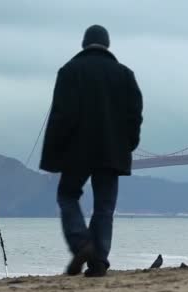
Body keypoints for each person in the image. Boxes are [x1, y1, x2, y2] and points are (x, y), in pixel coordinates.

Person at [40, 25, 143, 277]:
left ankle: (81, 242)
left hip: (76, 151)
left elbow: (60, 116)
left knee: (67, 196)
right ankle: (98, 261)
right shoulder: (125, 75)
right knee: (104, 207)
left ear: (84, 44)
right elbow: (135, 116)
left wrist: (54, 153)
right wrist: (128, 144)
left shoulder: (69, 71)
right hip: (112, 151)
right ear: (107, 45)